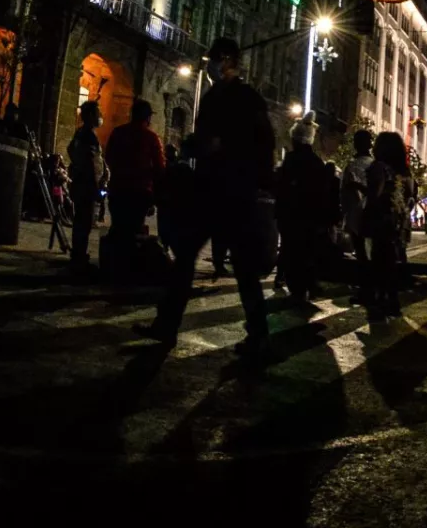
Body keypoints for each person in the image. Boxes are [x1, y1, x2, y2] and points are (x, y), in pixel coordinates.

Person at [141, 37, 277, 358]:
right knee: (186, 256)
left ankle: (258, 333)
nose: (211, 66)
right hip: (209, 189)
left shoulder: (246, 98)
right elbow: (205, 137)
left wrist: (248, 173)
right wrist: (194, 145)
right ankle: (166, 323)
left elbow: (263, 143)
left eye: (215, 60)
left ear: (227, 60)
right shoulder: (214, 95)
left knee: (242, 268)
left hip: (235, 192)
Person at [274, 116, 337, 302]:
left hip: (292, 216)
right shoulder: (317, 162)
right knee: (306, 251)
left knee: (291, 248)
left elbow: (282, 188)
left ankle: (295, 285)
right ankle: (304, 284)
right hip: (310, 217)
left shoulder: (292, 160)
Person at [104, 99, 165, 280]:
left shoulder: (118, 133)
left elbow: (109, 157)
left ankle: (115, 269)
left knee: (119, 227)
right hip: (140, 192)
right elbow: (159, 168)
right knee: (134, 230)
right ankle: (129, 271)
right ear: (147, 117)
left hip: (118, 189)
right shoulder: (151, 138)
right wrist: (157, 194)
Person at [361, 131, 411, 320]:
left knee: (378, 259)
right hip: (394, 219)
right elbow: (407, 195)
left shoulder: (379, 167)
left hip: (380, 217)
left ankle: (380, 301)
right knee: (389, 260)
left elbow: (374, 194)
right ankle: (391, 300)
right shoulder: (399, 171)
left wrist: (365, 211)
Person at [67, 100, 104, 274]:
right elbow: (90, 163)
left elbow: (70, 150)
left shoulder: (81, 133)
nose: (100, 117)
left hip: (82, 183)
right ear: (89, 116)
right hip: (86, 186)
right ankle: (79, 259)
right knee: (84, 222)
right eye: (98, 113)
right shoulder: (88, 135)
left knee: (82, 221)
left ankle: (78, 255)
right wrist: (96, 186)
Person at [341, 129, 375, 266]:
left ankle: (365, 279)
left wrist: (345, 213)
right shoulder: (375, 164)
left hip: (355, 213)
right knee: (370, 249)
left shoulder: (351, 166)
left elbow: (344, 193)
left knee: (360, 248)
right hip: (372, 212)